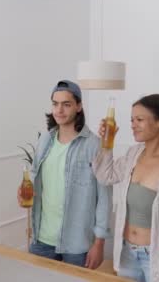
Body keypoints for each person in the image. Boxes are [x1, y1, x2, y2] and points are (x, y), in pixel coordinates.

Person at [92, 94, 159, 282]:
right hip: (126, 254)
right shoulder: (134, 154)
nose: (133, 124)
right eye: (132, 120)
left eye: (139, 119)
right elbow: (105, 176)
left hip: (155, 257)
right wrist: (107, 143)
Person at [17, 80, 111, 269]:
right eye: (55, 104)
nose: (59, 110)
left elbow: (104, 197)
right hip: (42, 239)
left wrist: (99, 243)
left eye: (66, 104)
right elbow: (34, 176)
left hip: (77, 244)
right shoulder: (45, 140)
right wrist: (22, 192)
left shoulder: (93, 144)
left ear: (78, 106)